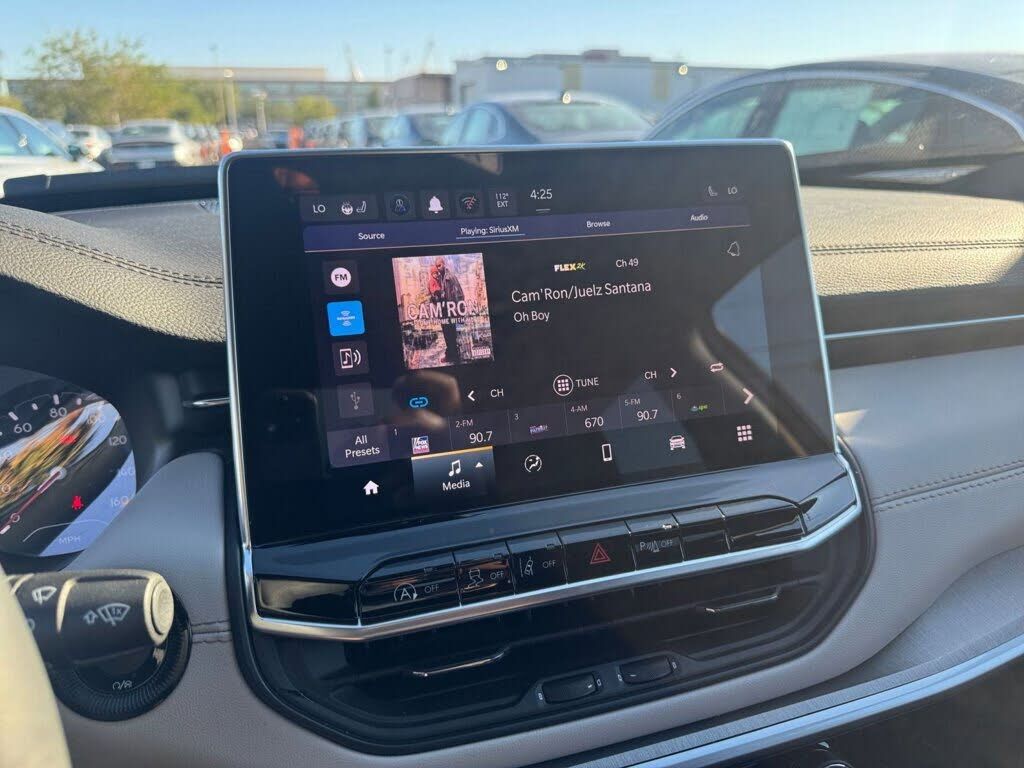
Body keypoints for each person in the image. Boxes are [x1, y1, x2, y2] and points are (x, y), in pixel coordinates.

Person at [428, 257, 465, 364]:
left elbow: (460, 294)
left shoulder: (451, 277)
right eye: (437, 266)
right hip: (443, 310)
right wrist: (434, 298)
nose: (438, 268)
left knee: (451, 334)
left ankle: (454, 357)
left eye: (439, 265)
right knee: (447, 334)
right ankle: (450, 355)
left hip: (450, 310)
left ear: (444, 264)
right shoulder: (439, 278)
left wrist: (459, 310)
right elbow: (437, 293)